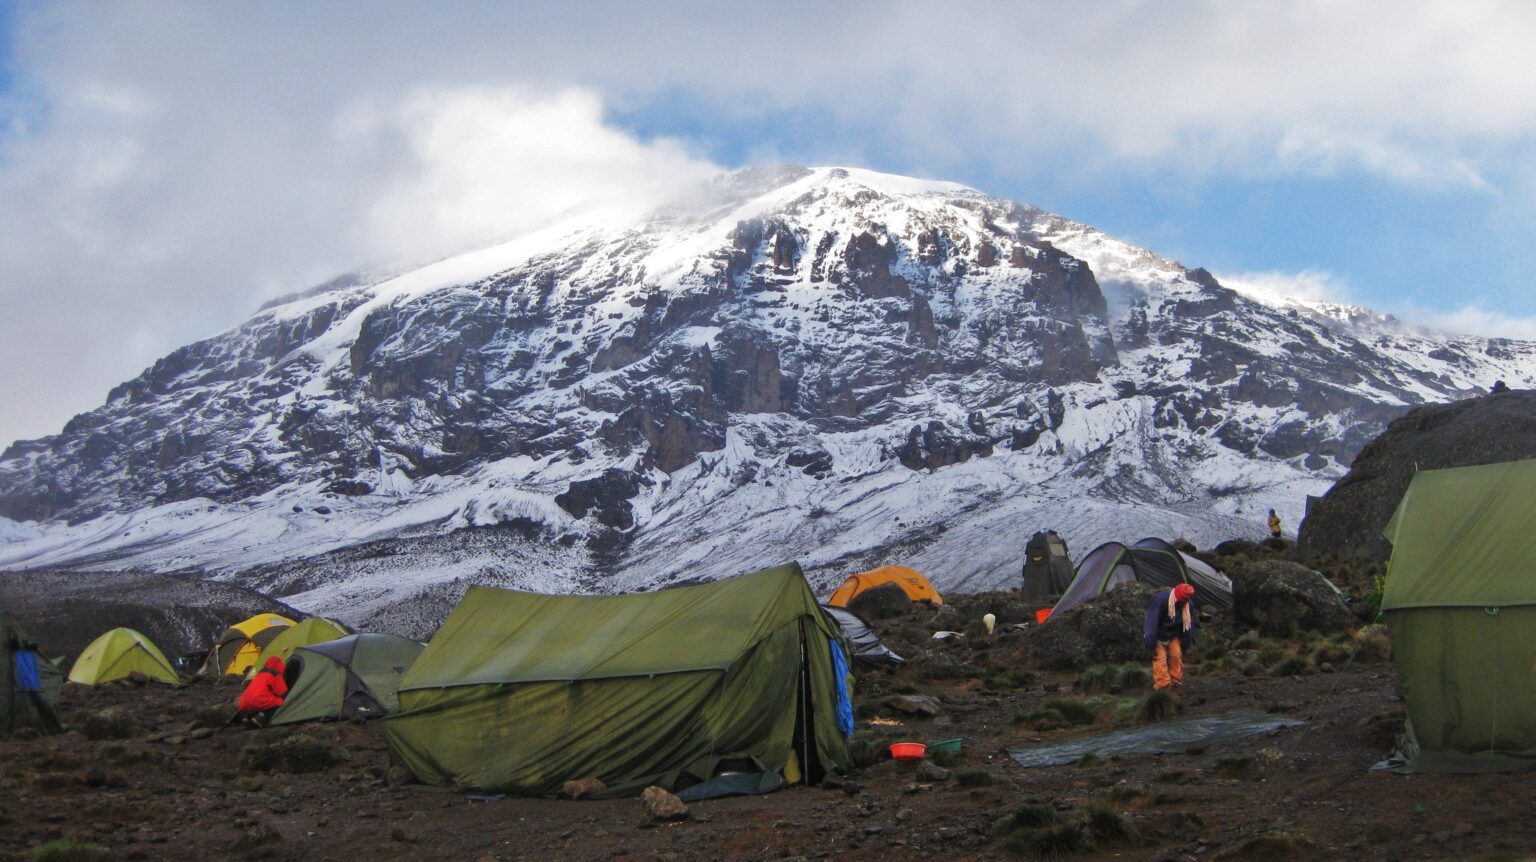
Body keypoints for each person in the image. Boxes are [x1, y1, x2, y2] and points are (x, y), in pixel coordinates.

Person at [1143, 583, 1196, 690]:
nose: (1182, 603)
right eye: (1180, 601)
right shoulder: (1160, 601)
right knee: (1159, 658)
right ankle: (1163, 686)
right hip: (1157, 634)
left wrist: (1185, 645)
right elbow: (1152, 622)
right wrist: (1151, 643)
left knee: (1176, 656)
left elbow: (1187, 626)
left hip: (1173, 634)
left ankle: (1175, 684)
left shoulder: (1188, 605)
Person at [237, 656, 288, 726]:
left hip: (243, 703)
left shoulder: (260, 673)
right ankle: (261, 717)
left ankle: (247, 717)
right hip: (258, 700)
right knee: (280, 702)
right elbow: (282, 692)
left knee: (260, 702)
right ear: (280, 665)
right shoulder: (275, 674)